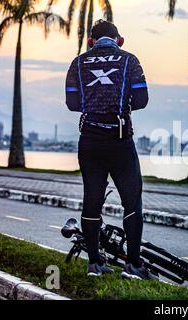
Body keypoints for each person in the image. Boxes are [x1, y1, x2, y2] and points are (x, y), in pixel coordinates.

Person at [65, 20, 152, 278]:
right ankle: (133, 266)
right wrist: (119, 102)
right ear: (119, 40)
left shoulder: (77, 63)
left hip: (89, 141)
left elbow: (72, 103)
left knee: (92, 200)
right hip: (120, 141)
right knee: (132, 201)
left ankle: (94, 263)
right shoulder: (129, 60)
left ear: (91, 42)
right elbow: (142, 100)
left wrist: (94, 104)